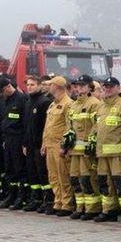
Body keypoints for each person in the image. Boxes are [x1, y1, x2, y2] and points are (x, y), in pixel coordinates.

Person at [91, 77, 121, 224]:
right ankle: (109, 210)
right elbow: (97, 128)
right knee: (105, 184)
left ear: (118, 88)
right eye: (105, 86)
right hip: (102, 154)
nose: (107, 89)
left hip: (119, 154)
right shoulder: (101, 106)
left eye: (111, 86)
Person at [67, 76, 102, 219]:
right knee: (75, 179)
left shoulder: (94, 104)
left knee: (88, 179)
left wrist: (92, 144)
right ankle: (80, 207)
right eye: (77, 85)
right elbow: (69, 125)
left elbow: (97, 125)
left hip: (87, 151)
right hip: (74, 150)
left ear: (89, 87)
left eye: (82, 85)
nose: (79, 88)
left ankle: (92, 208)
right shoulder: (74, 105)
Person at [41, 76, 75, 217]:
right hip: (50, 145)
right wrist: (44, 144)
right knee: (53, 176)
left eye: (51, 85)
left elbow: (69, 127)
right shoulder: (52, 104)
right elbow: (47, 126)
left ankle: (67, 204)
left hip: (59, 146)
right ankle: (58, 201)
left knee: (63, 176)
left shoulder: (68, 104)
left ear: (58, 86)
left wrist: (64, 146)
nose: (49, 87)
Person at [0, 77, 29, 209]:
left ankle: (22, 197)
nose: (2, 93)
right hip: (8, 139)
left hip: (18, 138)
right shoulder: (6, 100)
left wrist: (24, 143)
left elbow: (25, 123)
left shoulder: (21, 99)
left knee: (19, 169)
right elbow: (4, 121)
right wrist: (4, 139)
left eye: (4, 90)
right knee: (9, 169)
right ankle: (11, 196)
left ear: (9, 86)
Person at [22, 76, 53, 212]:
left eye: (32, 85)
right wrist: (24, 143)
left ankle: (48, 200)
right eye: (28, 85)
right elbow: (26, 125)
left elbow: (46, 127)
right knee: (32, 173)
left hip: (39, 145)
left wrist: (44, 144)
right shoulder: (28, 102)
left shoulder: (44, 102)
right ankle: (36, 199)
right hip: (29, 145)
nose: (29, 87)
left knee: (43, 173)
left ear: (40, 85)